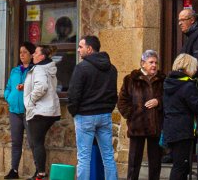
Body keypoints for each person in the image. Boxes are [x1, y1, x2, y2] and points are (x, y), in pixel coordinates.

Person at [162, 54, 198, 180]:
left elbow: (180, 103)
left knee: (181, 165)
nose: (196, 70)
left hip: (171, 128)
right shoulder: (187, 85)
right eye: (195, 67)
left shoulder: (169, 82)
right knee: (180, 167)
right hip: (182, 131)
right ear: (188, 67)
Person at [67, 35, 118, 180]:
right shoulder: (111, 68)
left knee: (84, 157)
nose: (78, 50)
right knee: (108, 156)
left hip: (85, 116)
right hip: (104, 115)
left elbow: (74, 93)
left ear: (89, 49)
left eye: (81, 46)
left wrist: (74, 111)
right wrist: (108, 108)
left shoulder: (81, 68)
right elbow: (113, 94)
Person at [118, 50, 165, 180]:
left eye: (156, 62)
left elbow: (169, 99)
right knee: (134, 161)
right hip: (137, 126)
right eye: (151, 62)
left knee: (155, 162)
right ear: (143, 63)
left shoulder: (162, 80)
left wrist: (159, 101)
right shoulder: (130, 79)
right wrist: (132, 115)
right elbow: (122, 101)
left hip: (156, 126)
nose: (154, 65)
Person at [23, 45, 61, 180]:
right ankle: (39, 172)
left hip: (39, 111)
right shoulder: (48, 68)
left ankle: (40, 174)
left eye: (36, 53)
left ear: (42, 56)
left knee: (36, 143)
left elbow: (42, 86)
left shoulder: (39, 68)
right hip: (49, 111)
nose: (33, 55)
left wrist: (30, 100)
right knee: (37, 142)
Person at [3, 42, 35, 179]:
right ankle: (14, 170)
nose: (21, 55)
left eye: (25, 52)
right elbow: (8, 87)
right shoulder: (15, 70)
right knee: (16, 142)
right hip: (14, 111)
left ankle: (38, 171)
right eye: (20, 52)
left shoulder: (35, 71)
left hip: (29, 112)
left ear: (31, 55)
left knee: (34, 142)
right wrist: (8, 97)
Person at [178, 9, 198, 97]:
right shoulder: (193, 34)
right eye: (179, 20)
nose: (179, 23)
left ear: (192, 20)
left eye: (183, 20)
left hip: (196, 86)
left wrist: (183, 74)